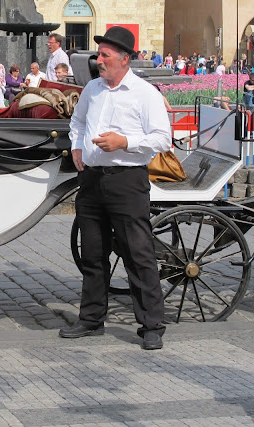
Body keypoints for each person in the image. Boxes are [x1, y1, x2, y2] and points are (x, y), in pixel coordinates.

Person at [60, 26, 170, 351]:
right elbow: (77, 122)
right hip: (92, 180)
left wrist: (125, 142)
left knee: (138, 254)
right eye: (99, 55)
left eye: (105, 55)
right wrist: (77, 146)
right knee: (92, 253)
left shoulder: (145, 93)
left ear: (124, 59)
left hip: (127, 181)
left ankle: (151, 325)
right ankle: (92, 319)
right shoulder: (92, 88)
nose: (99, 60)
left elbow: (163, 138)